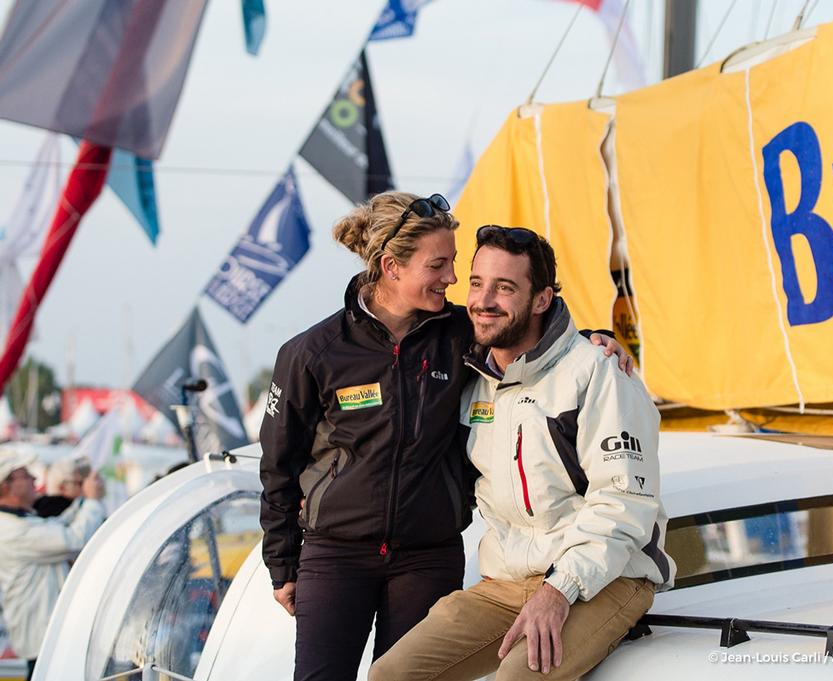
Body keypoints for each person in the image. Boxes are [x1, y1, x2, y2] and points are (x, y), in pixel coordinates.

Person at [259, 192, 629, 681]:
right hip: (337, 555)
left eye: (454, 263)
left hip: (426, 554)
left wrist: (596, 338)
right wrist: (282, 563)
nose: (453, 279)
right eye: (439, 265)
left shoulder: (460, 334)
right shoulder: (313, 352)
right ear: (392, 267)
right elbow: (278, 464)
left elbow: (533, 333)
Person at [370, 226, 675, 681]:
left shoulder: (597, 373)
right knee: (391, 675)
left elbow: (624, 502)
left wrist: (559, 590)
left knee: (518, 677)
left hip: (608, 576)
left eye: (505, 287)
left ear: (541, 299)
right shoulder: (473, 379)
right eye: (476, 283)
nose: (483, 299)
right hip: (509, 583)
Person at [0, 448, 106, 680]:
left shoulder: (19, 521)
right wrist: (92, 501)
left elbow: (56, 526)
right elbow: (72, 540)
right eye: (25, 476)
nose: (34, 480)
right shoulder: (12, 530)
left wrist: (82, 500)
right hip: (45, 642)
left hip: (49, 639)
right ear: (6, 485)